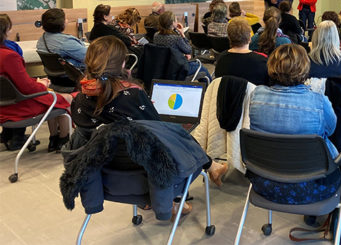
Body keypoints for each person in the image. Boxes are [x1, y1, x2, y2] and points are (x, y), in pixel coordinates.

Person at [69, 36, 228, 218]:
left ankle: (209, 167)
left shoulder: (79, 100)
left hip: (102, 179)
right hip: (146, 177)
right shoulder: (132, 96)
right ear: (122, 63)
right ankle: (196, 179)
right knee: (174, 134)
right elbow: (158, 136)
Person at [248, 44, 340, 204]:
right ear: (305, 67)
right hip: (314, 185)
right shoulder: (318, 100)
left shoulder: (256, 95)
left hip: (265, 181)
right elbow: (331, 130)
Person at [1, 14, 72, 152]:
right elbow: (27, 88)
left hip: (5, 106)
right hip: (18, 107)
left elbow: (13, 82)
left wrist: (37, 82)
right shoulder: (10, 56)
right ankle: (63, 141)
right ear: (5, 31)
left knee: (53, 96)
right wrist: (42, 84)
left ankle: (54, 140)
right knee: (64, 99)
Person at [153, 11, 210, 82]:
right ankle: (207, 90)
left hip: (162, 68)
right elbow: (189, 50)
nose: (177, 22)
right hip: (178, 69)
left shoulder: (156, 36)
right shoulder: (176, 38)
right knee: (203, 69)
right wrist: (182, 34)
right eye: (176, 20)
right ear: (172, 23)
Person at [214, 20, 268, 85]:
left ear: (229, 37)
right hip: (253, 94)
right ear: (249, 37)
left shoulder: (220, 59)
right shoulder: (262, 61)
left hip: (227, 95)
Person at [309, 20, 341, 86]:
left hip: (316, 95)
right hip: (340, 95)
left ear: (316, 37)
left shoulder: (307, 61)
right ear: (336, 38)